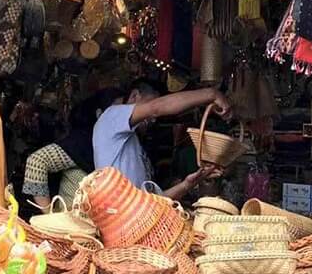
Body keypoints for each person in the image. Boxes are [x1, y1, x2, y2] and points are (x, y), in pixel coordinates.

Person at [92, 80, 232, 199]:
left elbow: (154, 202)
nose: (153, 119)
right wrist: (211, 94)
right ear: (135, 95)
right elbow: (156, 108)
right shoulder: (111, 116)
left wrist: (188, 184)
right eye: (151, 101)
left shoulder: (131, 145)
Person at [22, 89, 120, 209]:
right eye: (118, 110)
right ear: (100, 113)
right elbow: (36, 162)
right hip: (70, 223)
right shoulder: (84, 141)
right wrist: (48, 214)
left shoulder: (121, 144)